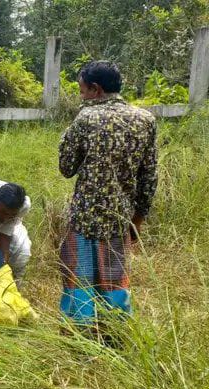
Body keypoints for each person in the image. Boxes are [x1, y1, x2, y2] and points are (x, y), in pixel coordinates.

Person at [58, 61, 157, 333]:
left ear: (95, 89)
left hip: (85, 219)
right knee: (114, 279)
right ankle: (115, 332)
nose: (81, 95)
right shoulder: (146, 120)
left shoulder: (86, 119)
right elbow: (149, 178)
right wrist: (138, 219)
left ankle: (79, 333)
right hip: (119, 218)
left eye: (82, 90)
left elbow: (66, 168)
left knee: (80, 278)